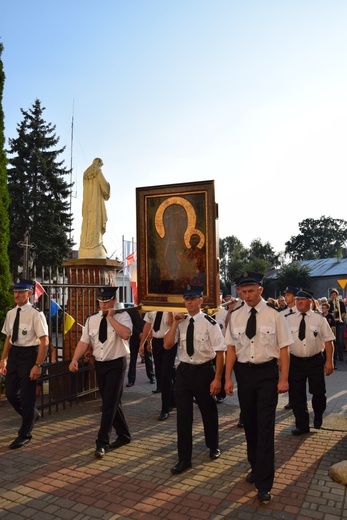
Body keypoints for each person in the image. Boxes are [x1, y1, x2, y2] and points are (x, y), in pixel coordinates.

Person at [224, 272, 291, 504]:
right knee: (250, 424)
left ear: (260, 290)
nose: (246, 295)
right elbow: (231, 349)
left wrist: (284, 379)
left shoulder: (274, 315)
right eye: (242, 292)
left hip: (267, 374)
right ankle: (255, 466)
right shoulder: (235, 316)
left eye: (250, 291)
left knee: (265, 426)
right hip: (244, 374)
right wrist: (227, 378)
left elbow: (284, 349)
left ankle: (265, 482)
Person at [164, 284, 226, 475]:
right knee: (183, 417)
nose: (189, 302)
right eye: (186, 299)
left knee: (208, 411)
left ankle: (213, 444)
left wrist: (217, 379)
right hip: (183, 372)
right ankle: (184, 459)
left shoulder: (210, 323)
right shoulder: (180, 322)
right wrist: (174, 324)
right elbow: (167, 345)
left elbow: (220, 352)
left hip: (204, 371)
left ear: (200, 301)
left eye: (193, 298)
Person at [69, 286, 132, 459]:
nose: (104, 305)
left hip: (116, 364)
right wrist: (75, 359)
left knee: (108, 404)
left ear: (114, 300)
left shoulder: (123, 316)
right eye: (101, 301)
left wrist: (111, 318)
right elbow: (84, 342)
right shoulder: (91, 320)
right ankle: (124, 435)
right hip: (100, 365)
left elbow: (126, 334)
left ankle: (102, 442)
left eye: (107, 301)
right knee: (110, 402)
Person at [0, 279, 49, 449]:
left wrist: (38, 365)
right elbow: (8, 338)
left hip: (30, 355)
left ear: (29, 294)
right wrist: (4, 358)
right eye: (15, 292)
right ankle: (32, 415)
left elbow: (44, 341)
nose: (17, 295)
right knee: (12, 394)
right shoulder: (11, 313)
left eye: (21, 292)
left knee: (27, 396)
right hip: (15, 355)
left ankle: (25, 433)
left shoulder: (36, 314)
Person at [286, 289, 335, 434]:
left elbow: (328, 341)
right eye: (297, 300)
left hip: (315, 361)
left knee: (319, 392)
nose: (299, 302)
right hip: (295, 362)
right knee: (297, 395)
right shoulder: (288, 319)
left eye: (302, 300)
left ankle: (318, 414)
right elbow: (282, 343)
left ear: (310, 302)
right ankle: (302, 425)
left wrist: (329, 362)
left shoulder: (319, 319)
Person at [139, 311, 177, 421]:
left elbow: (171, 324)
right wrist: (144, 343)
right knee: (160, 374)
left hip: (169, 342)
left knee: (166, 374)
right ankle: (173, 401)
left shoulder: (170, 309)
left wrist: (170, 311)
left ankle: (165, 409)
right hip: (156, 341)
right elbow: (148, 326)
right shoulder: (151, 308)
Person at [78, 158, 110, 259]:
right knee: (96, 223)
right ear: (99, 164)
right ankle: (95, 245)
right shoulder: (98, 172)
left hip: (87, 204)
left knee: (87, 224)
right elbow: (105, 187)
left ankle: (85, 247)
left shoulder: (86, 174)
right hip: (95, 203)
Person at [126, 308, 155, 387]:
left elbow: (150, 324)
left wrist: (146, 337)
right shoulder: (130, 311)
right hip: (135, 338)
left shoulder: (148, 311)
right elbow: (130, 324)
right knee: (133, 359)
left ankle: (151, 377)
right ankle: (131, 380)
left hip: (146, 337)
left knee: (148, 358)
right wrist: (139, 334)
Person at [282, 286, 300, 410]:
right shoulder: (282, 314)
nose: (285, 297)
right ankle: (292, 400)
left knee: (299, 382)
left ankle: (298, 400)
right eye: (285, 295)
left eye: (288, 295)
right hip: (288, 352)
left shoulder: (301, 312)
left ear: (294, 296)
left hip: (299, 350)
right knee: (290, 378)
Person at [328, 288, 346, 363]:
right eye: (332, 295)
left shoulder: (341, 303)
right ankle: (334, 355)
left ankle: (341, 356)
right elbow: (329, 312)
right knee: (333, 340)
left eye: (334, 294)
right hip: (333, 323)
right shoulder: (329, 303)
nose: (333, 296)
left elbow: (343, 312)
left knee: (340, 340)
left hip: (340, 323)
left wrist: (339, 318)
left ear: (337, 295)